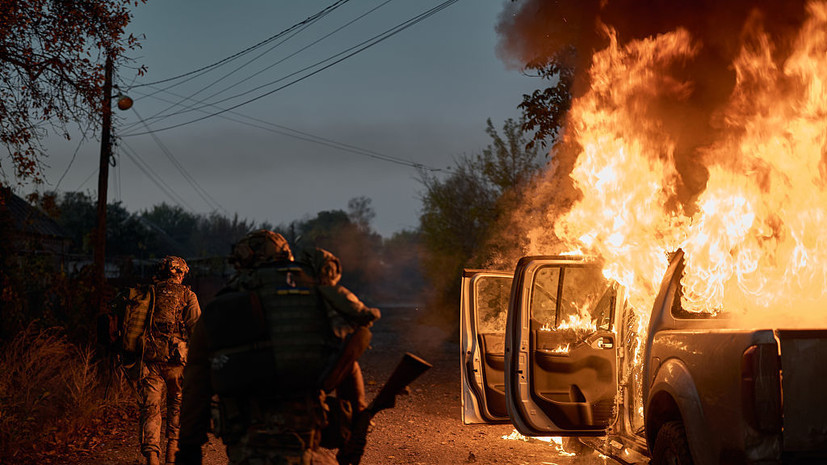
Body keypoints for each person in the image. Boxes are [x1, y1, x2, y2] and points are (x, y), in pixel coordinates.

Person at [175, 231, 379, 465]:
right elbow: (347, 361)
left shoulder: (224, 305)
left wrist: (189, 447)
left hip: (248, 449)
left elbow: (196, 381)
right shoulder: (320, 297)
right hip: (308, 445)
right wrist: (355, 429)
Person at [139, 256, 202, 465]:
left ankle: (152, 456)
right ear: (181, 273)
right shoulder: (188, 295)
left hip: (150, 357)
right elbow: (197, 329)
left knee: (151, 407)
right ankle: (172, 454)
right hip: (177, 360)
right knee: (177, 404)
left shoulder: (148, 293)